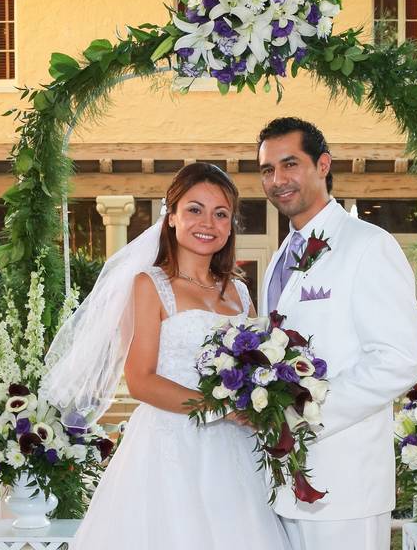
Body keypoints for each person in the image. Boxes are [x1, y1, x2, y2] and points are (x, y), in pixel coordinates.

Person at [42, 162, 291, 550]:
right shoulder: (150, 284)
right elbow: (140, 379)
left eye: (220, 213)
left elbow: (253, 366)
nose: (207, 222)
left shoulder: (239, 292)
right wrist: (218, 407)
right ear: (171, 216)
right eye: (194, 209)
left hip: (235, 450)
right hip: (168, 447)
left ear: (229, 226)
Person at [257, 117, 417, 550]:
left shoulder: (369, 245)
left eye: (290, 164)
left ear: (324, 164)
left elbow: (399, 359)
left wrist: (300, 417)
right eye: (267, 170)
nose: (278, 180)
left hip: (346, 483)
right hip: (283, 484)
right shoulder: (279, 257)